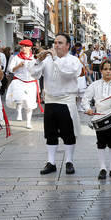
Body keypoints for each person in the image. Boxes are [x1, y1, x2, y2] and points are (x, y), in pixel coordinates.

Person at [28, 34, 83, 175]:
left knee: (68, 133)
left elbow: (68, 74)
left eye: (60, 43)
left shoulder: (73, 60)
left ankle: (69, 161)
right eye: (55, 42)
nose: (56, 45)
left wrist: (55, 58)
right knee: (50, 134)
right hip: (51, 100)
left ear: (67, 45)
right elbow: (34, 74)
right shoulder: (47, 59)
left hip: (66, 101)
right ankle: (51, 162)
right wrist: (38, 61)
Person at [82, 59, 111, 180]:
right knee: (101, 143)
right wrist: (88, 109)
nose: (108, 72)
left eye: (110, 69)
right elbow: (85, 99)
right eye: (105, 69)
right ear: (101, 71)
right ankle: (102, 168)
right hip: (99, 118)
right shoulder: (94, 85)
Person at [6, 39, 40, 129]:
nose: (23, 48)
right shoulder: (16, 57)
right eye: (22, 46)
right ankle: (19, 112)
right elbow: (10, 69)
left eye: (26, 46)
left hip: (31, 82)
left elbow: (38, 70)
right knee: (19, 97)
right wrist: (18, 66)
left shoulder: (34, 58)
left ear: (30, 48)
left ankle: (28, 122)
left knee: (30, 103)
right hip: (19, 80)